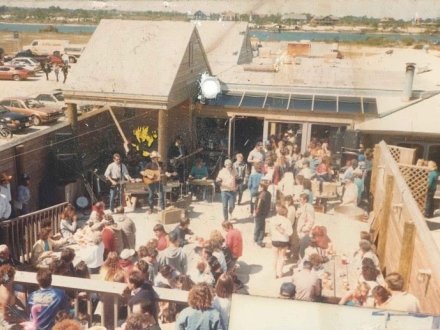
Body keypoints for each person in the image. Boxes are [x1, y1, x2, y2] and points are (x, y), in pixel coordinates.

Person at [270, 204, 293, 279]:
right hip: (284, 241)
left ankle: (273, 273)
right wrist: (283, 231)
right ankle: (280, 273)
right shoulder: (287, 221)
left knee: (274, 257)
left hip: (275, 240)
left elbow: (270, 230)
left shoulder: (273, 219)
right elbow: (290, 233)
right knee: (281, 257)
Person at [254, 181, 271, 247]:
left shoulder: (261, 195)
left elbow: (259, 204)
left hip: (259, 213)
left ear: (262, 187)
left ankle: (256, 239)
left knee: (258, 226)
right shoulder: (268, 193)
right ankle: (260, 239)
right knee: (262, 226)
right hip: (265, 212)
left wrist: (256, 212)